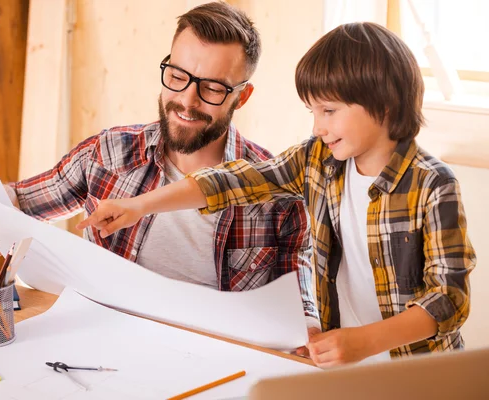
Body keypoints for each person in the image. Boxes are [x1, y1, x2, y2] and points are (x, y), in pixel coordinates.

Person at [78, 22, 476, 368]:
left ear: (384, 105)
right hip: (342, 362)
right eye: (312, 113)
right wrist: (138, 206)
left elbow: (450, 298)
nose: (318, 127)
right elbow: (233, 181)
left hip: (417, 371)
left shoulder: (432, 184)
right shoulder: (318, 160)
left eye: (329, 111)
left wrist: (364, 341)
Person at [0, 2, 318, 329]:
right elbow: (22, 199)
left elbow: (298, 304)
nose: (186, 102)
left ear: (242, 96)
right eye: (178, 77)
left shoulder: (276, 192)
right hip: (103, 345)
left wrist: (309, 329)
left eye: (211, 88)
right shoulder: (109, 153)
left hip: (213, 362)